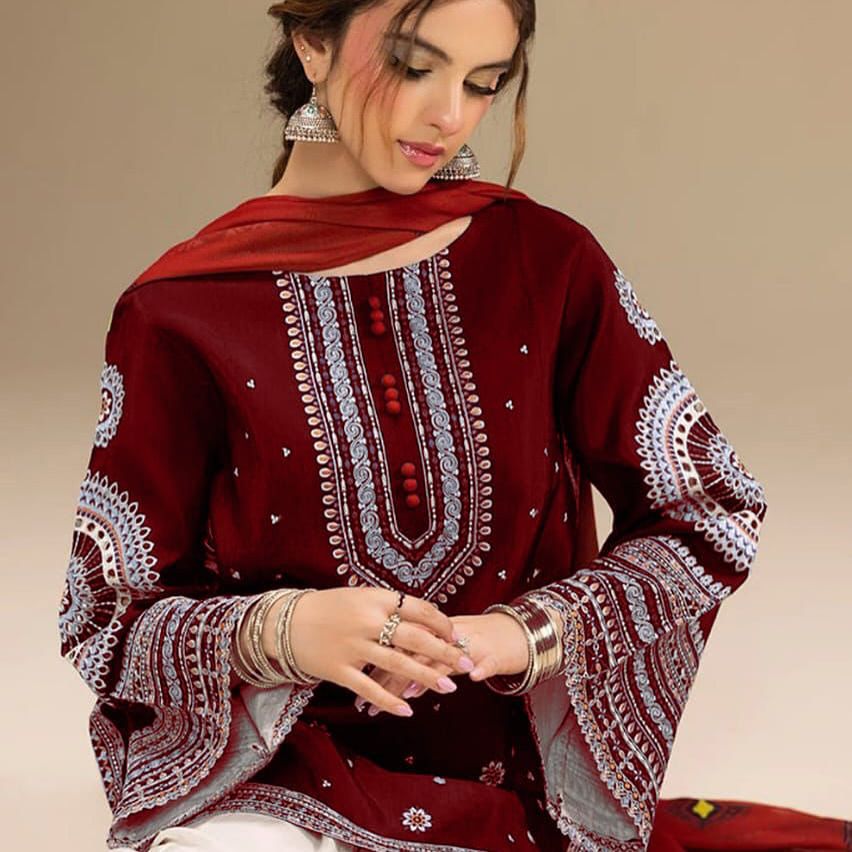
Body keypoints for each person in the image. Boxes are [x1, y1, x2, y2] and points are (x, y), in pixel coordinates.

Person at [56, 1, 842, 850]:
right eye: (412, 65)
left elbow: (711, 510)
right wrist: (284, 630)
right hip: (273, 783)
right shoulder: (178, 311)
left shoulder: (546, 263)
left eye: (483, 83)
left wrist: (527, 632)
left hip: (504, 785)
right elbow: (103, 616)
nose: (449, 115)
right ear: (311, 44)